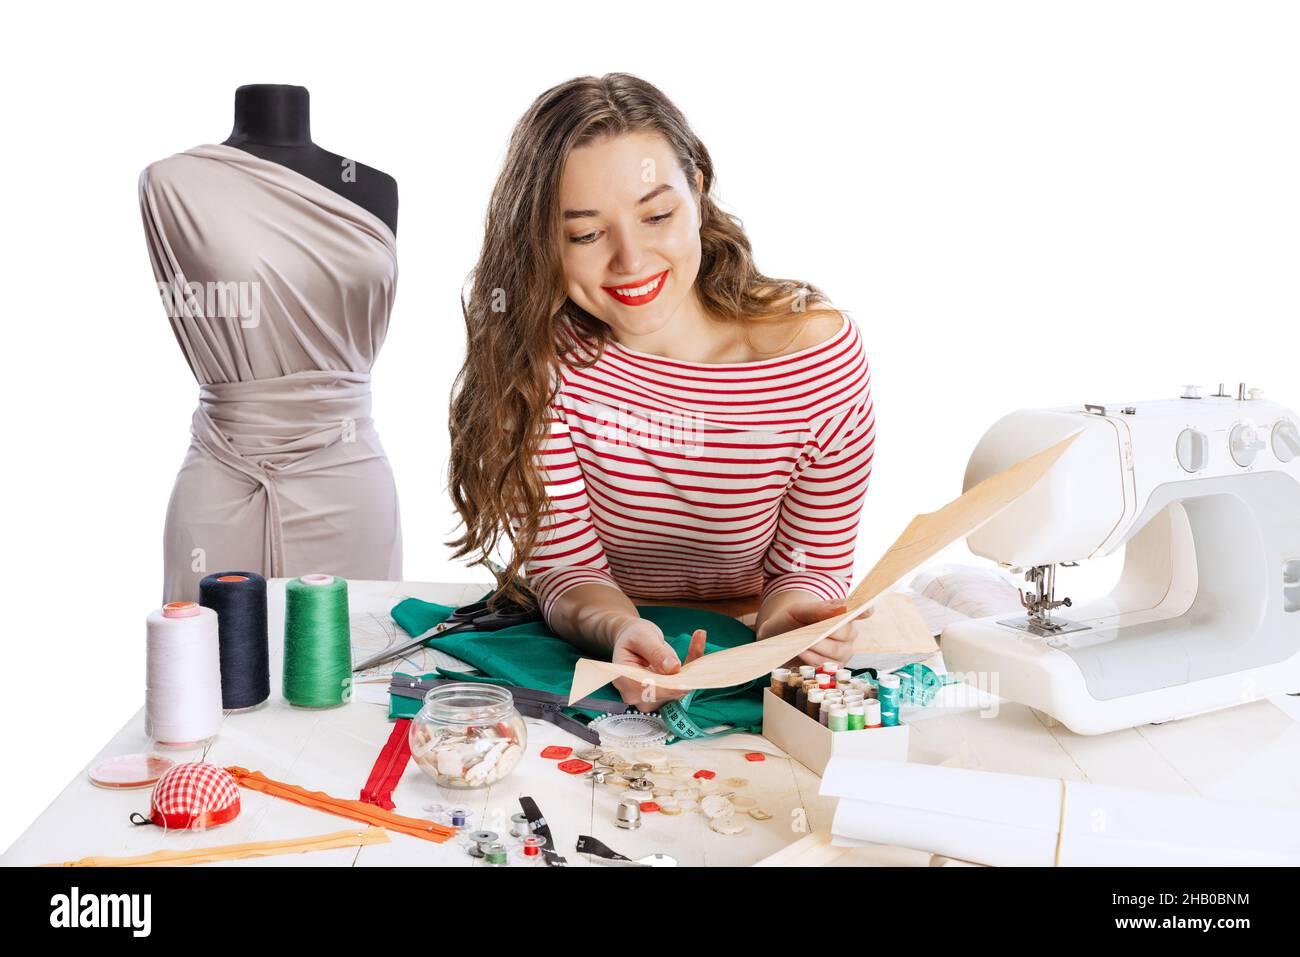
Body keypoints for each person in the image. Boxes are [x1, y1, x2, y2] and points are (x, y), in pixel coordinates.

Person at [449, 74, 875, 710]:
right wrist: (622, 630)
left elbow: (809, 563)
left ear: (697, 192)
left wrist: (795, 622)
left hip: (750, 650)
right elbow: (570, 571)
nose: (631, 261)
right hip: (597, 642)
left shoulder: (816, 360)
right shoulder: (542, 360)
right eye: (586, 234)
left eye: (656, 216)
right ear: (542, 241)